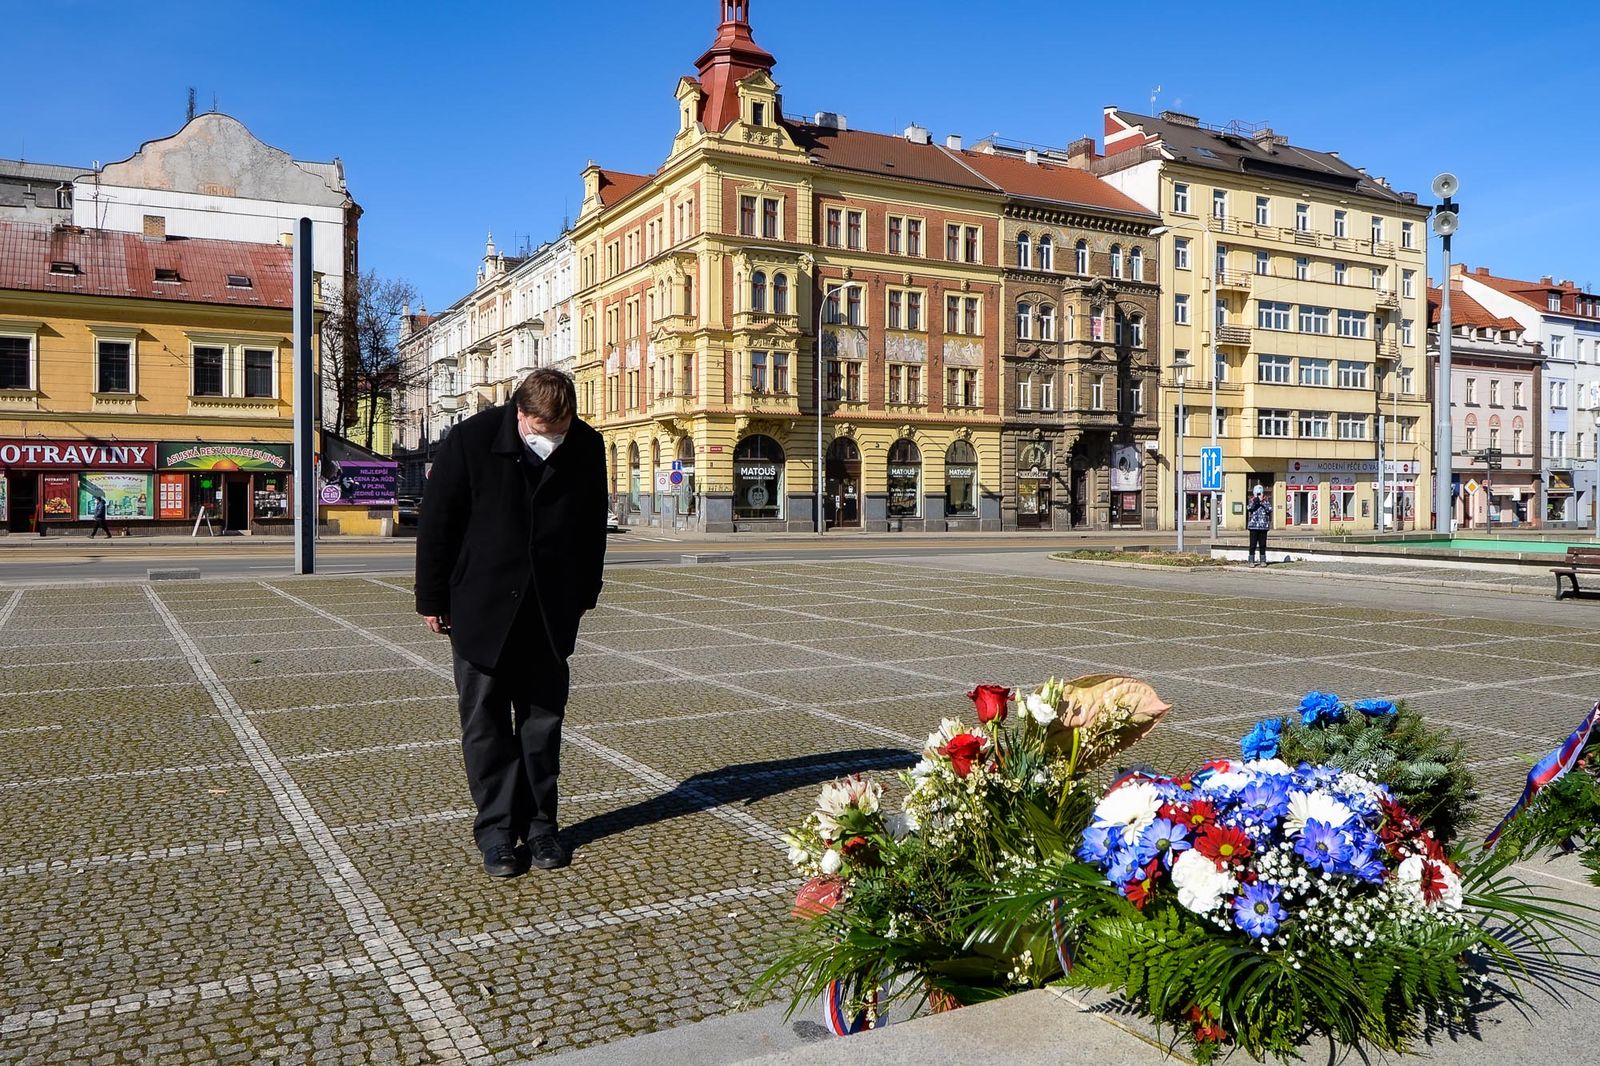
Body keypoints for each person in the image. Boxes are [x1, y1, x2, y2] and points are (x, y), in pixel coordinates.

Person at [415, 369, 607, 878]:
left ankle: (542, 826)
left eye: (562, 429)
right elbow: (438, 524)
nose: (554, 439)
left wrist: (586, 591)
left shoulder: (586, 445)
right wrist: (431, 597)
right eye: (545, 430)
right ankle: (497, 833)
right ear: (519, 414)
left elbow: (592, 525)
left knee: (543, 726)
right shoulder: (471, 439)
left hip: (548, 612)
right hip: (480, 609)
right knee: (486, 727)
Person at [1246, 485, 1272, 567]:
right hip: (1253, 526)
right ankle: (1251, 561)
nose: (1259, 495)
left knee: (1262, 545)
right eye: (1258, 493)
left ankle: (1263, 560)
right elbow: (1249, 508)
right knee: (1252, 545)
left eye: (1260, 493)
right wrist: (1256, 501)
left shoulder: (1266, 501)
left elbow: (1269, 509)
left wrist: (1263, 502)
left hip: (1263, 527)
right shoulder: (1252, 501)